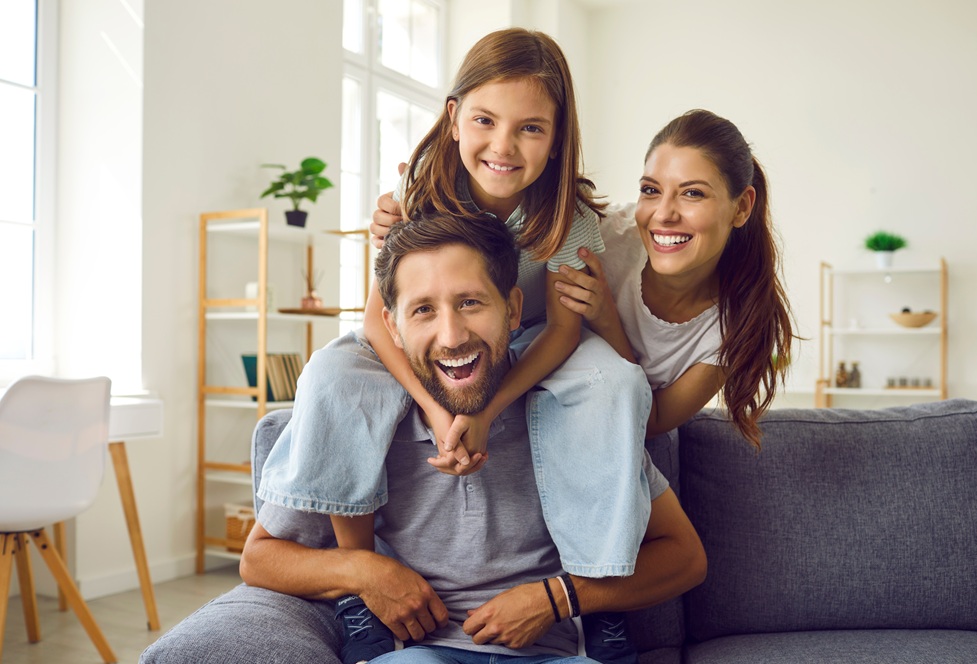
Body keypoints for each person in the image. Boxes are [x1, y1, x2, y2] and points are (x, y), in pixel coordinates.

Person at [139, 213, 706, 664]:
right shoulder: (359, 414)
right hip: (416, 653)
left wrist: (558, 598)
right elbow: (260, 560)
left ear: (512, 309)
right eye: (424, 310)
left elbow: (684, 558)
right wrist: (365, 571)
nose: (451, 335)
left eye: (470, 303)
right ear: (392, 325)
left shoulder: (576, 412)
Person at [257, 28, 653, 664]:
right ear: (452, 117)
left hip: (527, 338)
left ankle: (599, 587)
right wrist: (438, 409)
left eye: (531, 128)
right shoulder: (419, 189)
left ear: (557, 138)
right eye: (484, 121)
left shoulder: (568, 216)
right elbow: (381, 321)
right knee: (333, 370)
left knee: (618, 382)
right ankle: (360, 587)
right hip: (428, 342)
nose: (503, 146)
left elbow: (561, 331)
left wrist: (489, 409)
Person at [372, 109, 794, 449]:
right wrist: (410, 213)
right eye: (651, 190)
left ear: (742, 207)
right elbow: (495, 254)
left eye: (693, 193)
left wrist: (606, 318)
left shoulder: (736, 323)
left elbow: (652, 420)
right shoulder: (606, 236)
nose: (664, 214)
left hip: (612, 432)